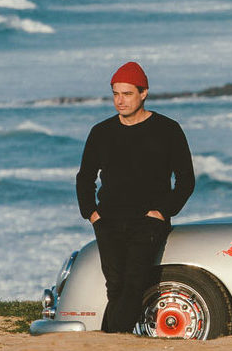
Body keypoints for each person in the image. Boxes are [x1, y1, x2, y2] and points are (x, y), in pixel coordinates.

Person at [76, 61, 195, 333]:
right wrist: (92, 214)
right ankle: (115, 340)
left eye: (127, 94)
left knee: (134, 283)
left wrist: (162, 212)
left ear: (143, 93)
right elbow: (85, 177)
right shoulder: (101, 132)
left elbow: (186, 180)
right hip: (108, 220)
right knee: (115, 285)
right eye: (116, 94)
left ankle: (112, 339)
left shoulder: (168, 129)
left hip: (148, 221)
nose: (120, 101)